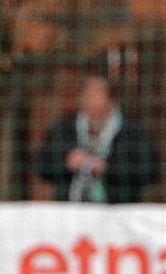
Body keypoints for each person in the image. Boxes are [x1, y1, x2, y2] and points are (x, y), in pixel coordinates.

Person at [33, 75, 160, 203]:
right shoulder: (64, 128)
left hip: (118, 213)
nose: (92, 115)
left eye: (99, 110)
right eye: (88, 108)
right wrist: (67, 164)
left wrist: (107, 168)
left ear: (112, 103)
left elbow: (150, 170)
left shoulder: (133, 131)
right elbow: (41, 166)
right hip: (71, 212)